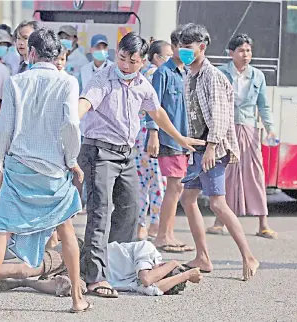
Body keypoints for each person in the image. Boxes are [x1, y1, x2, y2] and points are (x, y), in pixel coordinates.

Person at [0, 27, 90, 316]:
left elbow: (4, 129)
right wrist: (71, 160)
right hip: (54, 169)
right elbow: (71, 126)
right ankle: (78, 299)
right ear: (57, 54)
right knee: (66, 228)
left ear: (31, 52)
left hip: (19, 165)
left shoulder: (17, 81)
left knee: (1, 231)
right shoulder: (68, 82)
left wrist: (4, 162)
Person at [77, 31, 204, 298]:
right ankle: (94, 277)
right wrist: (70, 119)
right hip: (98, 151)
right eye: (122, 58)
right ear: (117, 52)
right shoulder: (103, 79)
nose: (126, 65)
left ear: (143, 62)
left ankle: (114, 264)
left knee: (131, 207)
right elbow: (85, 103)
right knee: (100, 211)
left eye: (133, 62)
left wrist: (180, 138)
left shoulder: (143, 84)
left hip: (126, 155)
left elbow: (157, 112)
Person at [177, 23, 259, 280]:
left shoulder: (212, 76)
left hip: (214, 148)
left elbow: (221, 117)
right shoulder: (190, 74)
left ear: (202, 47)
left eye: (189, 48)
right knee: (187, 199)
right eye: (182, 47)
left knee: (217, 204)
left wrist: (211, 147)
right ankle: (203, 257)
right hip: (198, 148)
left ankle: (248, 256)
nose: (184, 52)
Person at [207, 34, 277, 239]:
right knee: (225, 173)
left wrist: (270, 127)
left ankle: (263, 223)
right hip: (225, 129)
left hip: (249, 129)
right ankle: (219, 221)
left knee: (255, 174)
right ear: (231, 53)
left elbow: (263, 105)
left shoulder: (258, 76)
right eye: (241, 50)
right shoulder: (219, 73)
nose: (246, 55)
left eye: (248, 50)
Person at [0, 239, 203, 297]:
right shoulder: (148, 249)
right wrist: (175, 264)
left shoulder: (143, 283)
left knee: (67, 286)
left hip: (82, 277)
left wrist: (184, 274)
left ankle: (21, 285)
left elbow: (154, 287)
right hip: (78, 254)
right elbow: (149, 279)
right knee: (28, 268)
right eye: (165, 268)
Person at [148, 27, 193, 252]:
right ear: (174, 47)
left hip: (183, 140)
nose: (187, 50)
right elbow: (153, 106)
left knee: (176, 188)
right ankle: (162, 235)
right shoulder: (162, 73)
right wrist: (153, 133)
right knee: (173, 187)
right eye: (183, 46)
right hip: (168, 140)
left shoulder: (185, 73)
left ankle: (168, 233)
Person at [134, 40, 170, 241]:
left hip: (139, 135)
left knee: (141, 183)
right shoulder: (156, 75)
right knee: (157, 181)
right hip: (150, 135)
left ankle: (140, 225)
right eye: (167, 55)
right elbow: (155, 109)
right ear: (157, 57)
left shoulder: (142, 74)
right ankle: (155, 223)